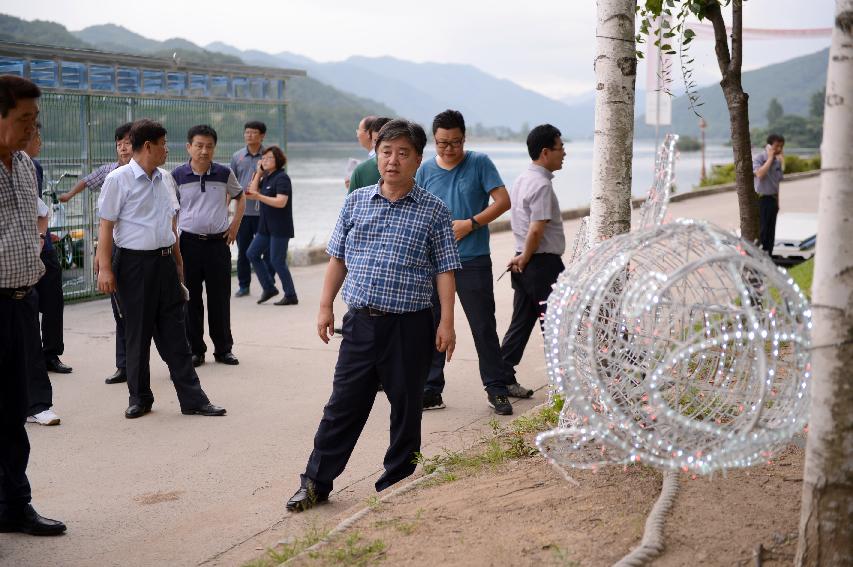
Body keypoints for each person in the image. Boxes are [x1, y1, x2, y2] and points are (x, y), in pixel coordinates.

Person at [286, 119, 460, 512]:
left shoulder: (434, 211)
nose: (393, 160)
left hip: (411, 325)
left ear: (418, 159)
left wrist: (447, 322)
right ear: (376, 154)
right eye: (386, 151)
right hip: (360, 322)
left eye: (402, 153)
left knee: (406, 407)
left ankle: (397, 480)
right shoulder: (356, 200)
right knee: (343, 405)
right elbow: (338, 258)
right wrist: (324, 305)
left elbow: (444, 271)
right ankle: (316, 482)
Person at [96, 119, 226, 419]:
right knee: (137, 332)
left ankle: (193, 399)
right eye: (163, 144)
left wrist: (178, 265)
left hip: (165, 261)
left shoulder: (167, 178)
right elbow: (106, 226)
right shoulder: (118, 180)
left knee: (175, 333)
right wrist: (105, 269)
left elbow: (172, 225)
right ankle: (140, 397)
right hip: (132, 264)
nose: (167, 150)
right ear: (148, 146)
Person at [416, 109, 532, 416]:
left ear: (464, 139)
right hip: (435, 262)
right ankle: (431, 388)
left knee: (483, 326)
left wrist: (471, 223)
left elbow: (503, 201)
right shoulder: (425, 171)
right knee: (433, 325)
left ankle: (496, 388)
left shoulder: (479, 163)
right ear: (434, 141)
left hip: (473, 260)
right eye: (442, 143)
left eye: (455, 142)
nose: (449, 149)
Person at [0, 74, 66, 535]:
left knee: (15, 410)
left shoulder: (24, 165)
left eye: (34, 119)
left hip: (23, 304)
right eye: (24, 119)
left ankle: (14, 506)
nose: (31, 128)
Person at [59, 122, 134, 384]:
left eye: (128, 142)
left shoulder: (149, 174)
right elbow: (85, 182)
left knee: (154, 310)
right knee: (120, 309)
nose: (123, 147)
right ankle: (124, 366)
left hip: (143, 250)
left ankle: (172, 361)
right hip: (113, 246)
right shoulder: (109, 172)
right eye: (119, 143)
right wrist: (68, 195)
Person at [172, 125, 245, 367]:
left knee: (219, 299)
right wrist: (174, 239)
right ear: (189, 147)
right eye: (199, 145)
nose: (204, 151)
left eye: (209, 146)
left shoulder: (224, 173)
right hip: (188, 243)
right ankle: (195, 350)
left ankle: (224, 349)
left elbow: (240, 196)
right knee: (190, 299)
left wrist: (234, 225)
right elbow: (171, 210)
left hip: (218, 244)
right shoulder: (177, 176)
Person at [500, 124, 566, 381]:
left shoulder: (522, 179)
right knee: (556, 323)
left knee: (522, 322)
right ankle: (562, 379)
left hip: (525, 261)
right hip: (540, 264)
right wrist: (526, 258)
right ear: (545, 152)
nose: (564, 153)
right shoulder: (541, 185)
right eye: (561, 148)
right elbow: (537, 229)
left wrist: (522, 258)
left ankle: (501, 375)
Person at [26, 123, 72, 375]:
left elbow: (39, 207)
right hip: (22, 246)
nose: (40, 141)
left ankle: (51, 353)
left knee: (53, 298)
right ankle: (31, 355)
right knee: (27, 301)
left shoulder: (36, 166)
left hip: (43, 243)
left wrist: (42, 237)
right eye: (36, 136)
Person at [245, 146, 298, 306]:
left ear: (278, 161)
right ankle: (269, 288)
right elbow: (252, 192)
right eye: (264, 158)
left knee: (277, 261)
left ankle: (291, 295)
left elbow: (281, 202)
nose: (265, 160)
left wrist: (259, 196)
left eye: (269, 158)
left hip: (280, 227)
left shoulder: (282, 178)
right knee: (252, 253)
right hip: (265, 227)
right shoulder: (267, 177)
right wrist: (259, 173)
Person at [231, 121, 274, 298]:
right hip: (244, 213)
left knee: (268, 250)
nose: (249, 135)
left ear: (262, 135)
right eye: (247, 132)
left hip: (264, 212)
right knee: (243, 251)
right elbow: (230, 183)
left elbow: (277, 179)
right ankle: (244, 285)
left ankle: (268, 283)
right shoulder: (237, 156)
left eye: (254, 132)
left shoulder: (269, 156)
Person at [753, 133, 785, 255]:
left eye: (781, 146)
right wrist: (770, 158)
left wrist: (778, 203)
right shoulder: (759, 158)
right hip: (761, 200)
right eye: (777, 146)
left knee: (771, 234)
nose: (779, 149)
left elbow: (777, 184)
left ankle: (769, 258)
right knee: (763, 232)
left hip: (772, 200)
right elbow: (760, 174)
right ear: (769, 146)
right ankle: (759, 259)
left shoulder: (778, 162)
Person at [348, 116, 393, 193]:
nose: (380, 146)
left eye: (359, 130)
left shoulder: (409, 169)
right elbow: (351, 202)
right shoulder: (361, 171)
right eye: (376, 141)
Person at [344, 115, 378, 191]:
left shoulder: (376, 160)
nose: (357, 135)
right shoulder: (375, 157)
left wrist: (355, 188)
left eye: (359, 130)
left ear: (369, 133)